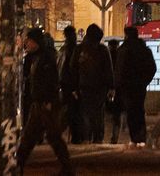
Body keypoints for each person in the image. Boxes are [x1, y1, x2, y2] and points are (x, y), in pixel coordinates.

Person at [17, 27, 75, 176]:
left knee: (51, 135)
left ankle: (67, 167)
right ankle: (18, 164)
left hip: (45, 103)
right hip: (38, 102)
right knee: (31, 136)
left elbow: (52, 81)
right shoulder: (33, 58)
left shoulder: (45, 58)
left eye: (28, 41)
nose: (26, 43)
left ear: (35, 42)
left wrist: (48, 100)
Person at [70, 24, 113, 144]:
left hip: (84, 87)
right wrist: (111, 86)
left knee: (85, 113)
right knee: (98, 114)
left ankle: (86, 137)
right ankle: (97, 138)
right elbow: (108, 69)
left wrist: (74, 87)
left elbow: (73, 69)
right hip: (99, 88)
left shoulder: (79, 50)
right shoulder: (102, 50)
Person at [115, 26, 156, 148]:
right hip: (140, 85)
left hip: (127, 86)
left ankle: (134, 138)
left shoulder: (123, 49)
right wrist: (145, 81)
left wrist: (118, 85)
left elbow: (119, 69)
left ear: (126, 35)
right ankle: (141, 137)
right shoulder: (144, 49)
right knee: (139, 109)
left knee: (131, 112)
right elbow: (152, 68)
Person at [59, 24, 85, 144]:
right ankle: (76, 136)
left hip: (67, 85)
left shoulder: (65, 50)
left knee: (69, 111)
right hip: (73, 85)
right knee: (75, 111)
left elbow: (64, 69)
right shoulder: (76, 49)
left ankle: (68, 135)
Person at [104, 39, 123, 144]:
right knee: (117, 115)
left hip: (106, 87)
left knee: (106, 114)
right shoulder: (121, 56)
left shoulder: (106, 56)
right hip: (118, 88)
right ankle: (114, 137)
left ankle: (104, 136)